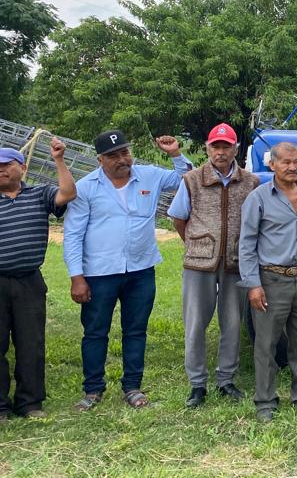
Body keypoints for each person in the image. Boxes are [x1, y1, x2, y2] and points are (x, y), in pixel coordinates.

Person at [63, 130, 191, 410]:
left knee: (136, 330)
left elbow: (186, 178)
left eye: (125, 152)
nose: (122, 159)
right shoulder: (85, 188)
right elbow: (72, 235)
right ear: (100, 159)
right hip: (99, 273)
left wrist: (175, 154)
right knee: (95, 332)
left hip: (141, 270)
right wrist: (77, 277)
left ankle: (132, 386)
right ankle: (93, 389)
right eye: (113, 155)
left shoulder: (149, 176)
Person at [167, 123, 259, 408]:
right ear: (208, 149)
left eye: (226, 147)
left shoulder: (251, 182)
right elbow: (179, 218)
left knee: (232, 323)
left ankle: (226, 380)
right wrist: (197, 244)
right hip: (199, 263)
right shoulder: (192, 179)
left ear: (235, 149)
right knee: (195, 323)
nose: (220, 152)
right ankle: (197, 383)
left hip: (235, 261)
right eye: (215, 147)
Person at [238, 142, 297, 422]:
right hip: (272, 279)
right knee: (266, 344)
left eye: (296, 161)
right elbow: (247, 244)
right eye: (286, 162)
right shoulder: (259, 198)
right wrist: (253, 284)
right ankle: (265, 402)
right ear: (272, 165)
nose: (292, 167)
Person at [0, 140, 75, 421]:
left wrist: (59, 160)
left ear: (23, 167)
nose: (1, 170)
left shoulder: (40, 194)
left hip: (29, 282)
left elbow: (68, 193)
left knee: (31, 343)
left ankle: (29, 403)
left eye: (6, 165)